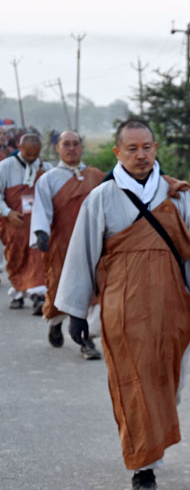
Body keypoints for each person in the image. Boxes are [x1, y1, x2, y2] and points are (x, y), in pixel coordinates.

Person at [55, 119, 190, 490]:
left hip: (174, 307)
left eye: (147, 148)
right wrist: (75, 310)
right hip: (122, 309)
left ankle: (151, 446)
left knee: (166, 386)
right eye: (132, 149)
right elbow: (82, 255)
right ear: (117, 153)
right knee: (133, 385)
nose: (141, 155)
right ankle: (143, 472)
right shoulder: (103, 197)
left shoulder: (179, 197)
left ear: (156, 148)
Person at [29, 130, 106, 357]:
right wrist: (41, 233)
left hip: (94, 245)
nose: (71, 148)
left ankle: (86, 341)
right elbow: (41, 209)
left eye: (75, 144)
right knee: (61, 290)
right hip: (62, 246)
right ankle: (55, 323)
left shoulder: (95, 176)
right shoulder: (48, 179)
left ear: (81, 147)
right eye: (66, 144)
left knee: (95, 290)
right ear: (57, 148)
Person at [0, 133, 53, 313]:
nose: (32, 159)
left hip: (37, 223)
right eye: (28, 154)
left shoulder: (45, 167)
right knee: (16, 259)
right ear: (20, 149)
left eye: (35, 155)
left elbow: (54, 193)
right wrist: (7, 212)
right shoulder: (5, 167)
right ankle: (17, 293)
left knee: (38, 259)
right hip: (14, 223)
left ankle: (38, 295)